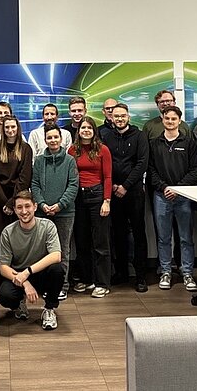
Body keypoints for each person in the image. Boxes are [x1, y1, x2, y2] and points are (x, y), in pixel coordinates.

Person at [148, 105, 197, 291]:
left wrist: (178, 189)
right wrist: (165, 187)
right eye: (167, 118)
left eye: (173, 119)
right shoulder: (155, 144)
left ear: (179, 121)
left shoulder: (189, 143)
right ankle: (166, 271)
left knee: (186, 237)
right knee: (163, 238)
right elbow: (151, 170)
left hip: (184, 196)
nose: (170, 122)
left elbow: (196, 169)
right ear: (162, 119)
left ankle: (187, 273)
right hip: (161, 196)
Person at [0, 190, 64, 330]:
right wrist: (25, 283)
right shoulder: (8, 232)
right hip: (19, 276)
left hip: (40, 273)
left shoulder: (47, 226)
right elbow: (3, 267)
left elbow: (56, 255)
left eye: (27, 206)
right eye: (19, 207)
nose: (24, 211)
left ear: (35, 206)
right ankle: (19, 304)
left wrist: (28, 272)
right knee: (5, 295)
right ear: (15, 210)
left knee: (57, 269)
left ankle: (49, 309)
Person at [101, 103, 149, 292]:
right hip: (113, 192)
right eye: (116, 116)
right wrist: (113, 185)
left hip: (134, 192)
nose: (119, 119)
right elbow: (105, 163)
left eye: (123, 115)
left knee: (138, 234)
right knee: (118, 234)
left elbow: (142, 163)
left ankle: (141, 276)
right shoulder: (106, 137)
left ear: (128, 116)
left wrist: (125, 186)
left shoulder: (140, 136)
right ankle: (121, 272)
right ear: (111, 117)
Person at [31, 124, 79, 298]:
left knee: (63, 250)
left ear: (61, 139)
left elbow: (73, 185)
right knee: (43, 251)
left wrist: (60, 205)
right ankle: (45, 285)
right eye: (49, 137)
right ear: (45, 140)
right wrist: (42, 204)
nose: (53, 140)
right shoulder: (39, 160)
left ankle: (62, 286)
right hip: (42, 213)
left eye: (55, 137)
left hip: (65, 213)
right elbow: (34, 184)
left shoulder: (69, 160)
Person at [68, 116, 112, 298]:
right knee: (82, 241)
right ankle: (87, 279)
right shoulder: (72, 150)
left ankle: (103, 283)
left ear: (94, 131)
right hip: (78, 197)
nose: (85, 130)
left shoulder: (103, 150)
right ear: (78, 131)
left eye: (89, 128)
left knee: (100, 242)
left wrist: (106, 200)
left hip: (97, 197)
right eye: (82, 128)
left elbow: (108, 177)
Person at [0, 116, 33, 290]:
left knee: (17, 242)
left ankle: (17, 281)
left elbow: (25, 177)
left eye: (13, 127)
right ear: (3, 129)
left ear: (18, 128)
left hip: (18, 200)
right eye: (7, 127)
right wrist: (4, 202)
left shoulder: (26, 148)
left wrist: (12, 203)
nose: (10, 130)